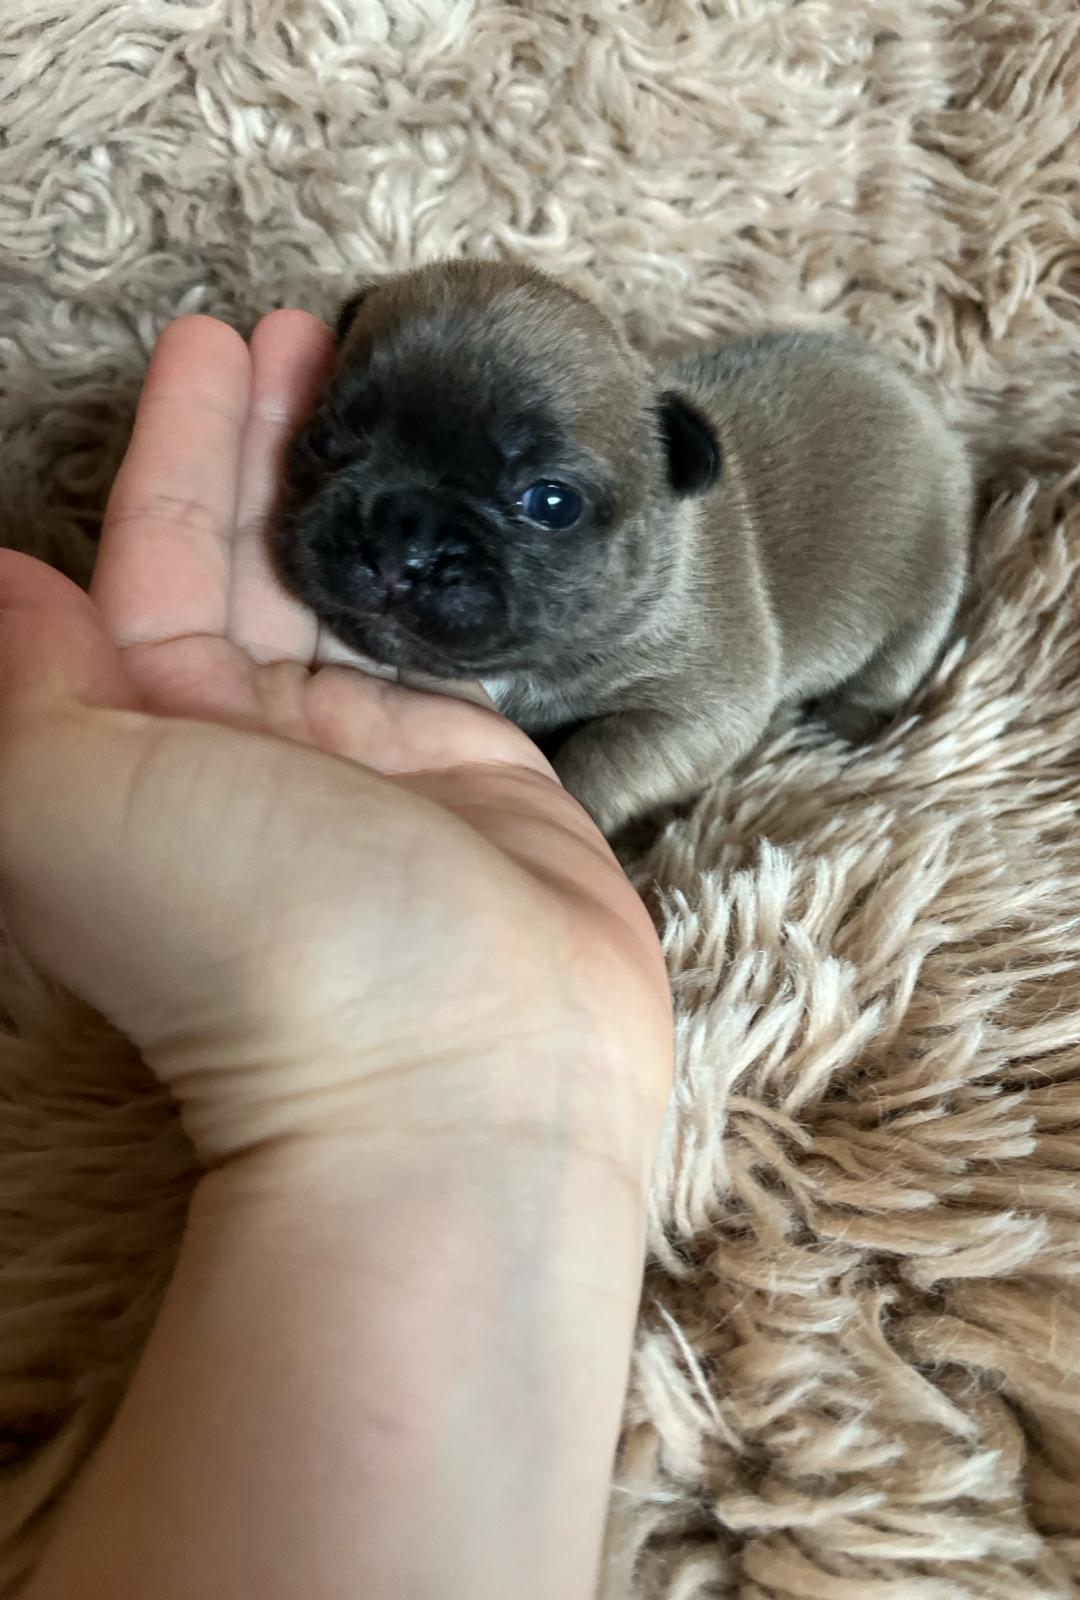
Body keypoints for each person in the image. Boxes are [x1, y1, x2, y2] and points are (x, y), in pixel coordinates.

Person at [0, 311, 673, 1600]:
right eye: (341, 457)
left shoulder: (679, 588)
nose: (409, 547)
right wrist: (439, 1097)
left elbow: (706, 688)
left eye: (537, 499)